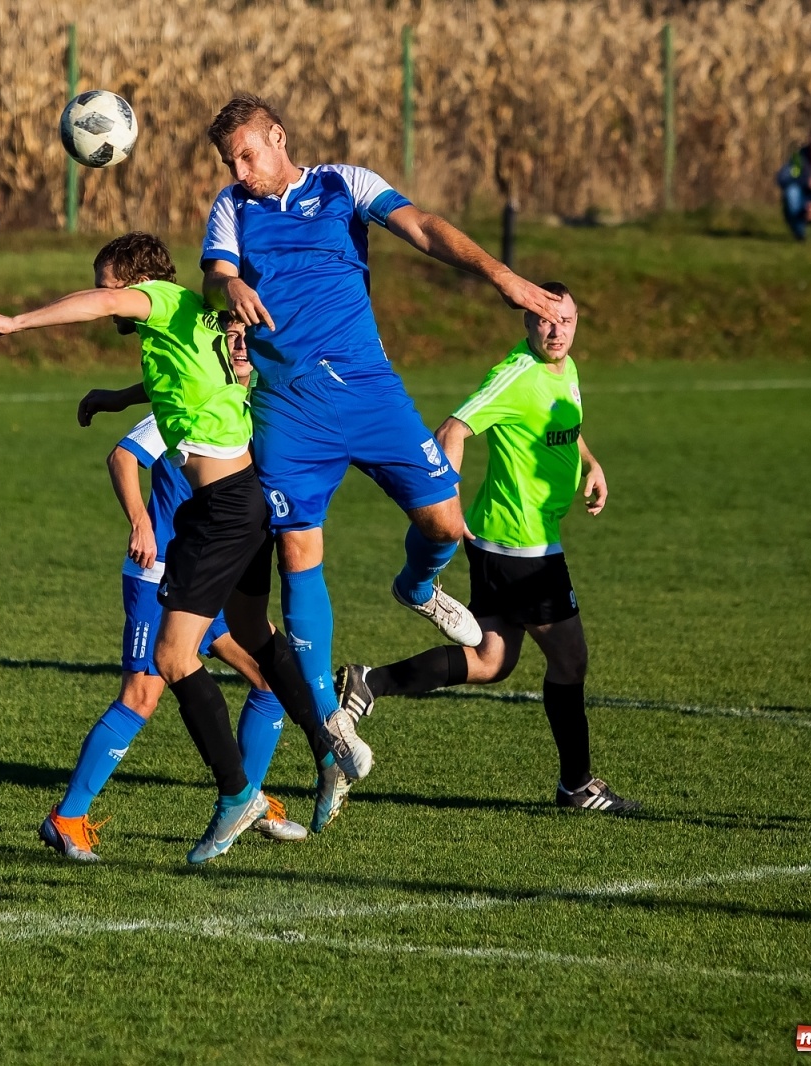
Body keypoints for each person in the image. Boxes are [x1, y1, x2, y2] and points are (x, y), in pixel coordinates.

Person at [199, 93, 563, 827]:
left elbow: (424, 228)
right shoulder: (231, 207)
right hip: (289, 409)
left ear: (279, 135)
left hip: (370, 391)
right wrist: (229, 282)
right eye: (229, 161)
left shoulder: (344, 184)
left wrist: (503, 278)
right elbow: (213, 273)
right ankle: (333, 725)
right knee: (301, 552)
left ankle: (418, 587)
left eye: (248, 153)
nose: (240, 170)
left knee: (444, 522)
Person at [0, 233, 329, 863]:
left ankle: (247, 788)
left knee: (237, 675)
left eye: (109, 283)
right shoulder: (183, 361)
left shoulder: (170, 327)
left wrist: (16, 320)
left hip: (200, 548)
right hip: (179, 556)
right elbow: (133, 439)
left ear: (132, 284)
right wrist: (119, 412)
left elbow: (97, 310)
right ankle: (79, 815)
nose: (106, 299)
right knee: (157, 685)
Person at [329, 284, 639, 813]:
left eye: (565, 320)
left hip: (521, 540)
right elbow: (453, 427)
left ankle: (367, 682)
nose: (556, 330)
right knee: (570, 659)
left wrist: (591, 463)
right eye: (545, 320)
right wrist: (443, 497)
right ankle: (577, 786)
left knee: (491, 659)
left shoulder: (566, 369)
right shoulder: (514, 375)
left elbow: (565, 424)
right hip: (521, 545)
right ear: (526, 323)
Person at [41, 327, 307, 862]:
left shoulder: (243, 403)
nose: (240, 353)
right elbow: (123, 456)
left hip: (204, 577)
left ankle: (243, 800)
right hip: (157, 573)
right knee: (142, 693)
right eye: (231, 343)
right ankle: (66, 819)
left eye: (246, 345)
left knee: (268, 680)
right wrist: (140, 522)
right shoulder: (187, 403)